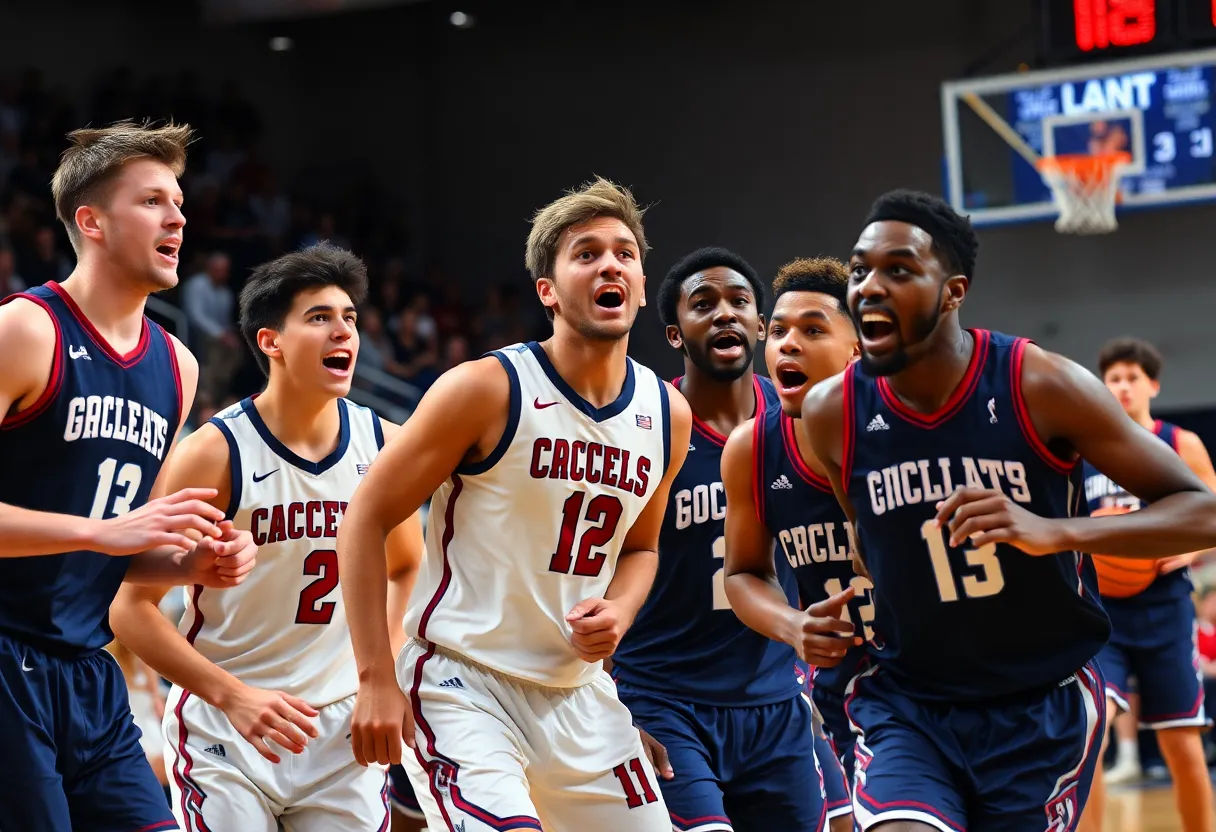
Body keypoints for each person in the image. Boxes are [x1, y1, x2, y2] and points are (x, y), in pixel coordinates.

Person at [801, 188, 1216, 831]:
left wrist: (1055, 532)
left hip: (1038, 705)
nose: (870, 287)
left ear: (953, 292)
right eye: (860, 270)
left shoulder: (1040, 383)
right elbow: (866, 543)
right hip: (909, 702)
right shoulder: (831, 412)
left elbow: (1204, 510)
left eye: (899, 270)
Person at [336, 177, 692, 831]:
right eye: (587, 253)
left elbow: (641, 548)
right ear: (547, 290)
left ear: (642, 286)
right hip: (464, 682)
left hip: (580, 694)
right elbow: (365, 515)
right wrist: (375, 678)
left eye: (624, 253)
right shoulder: (486, 389)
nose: (610, 265)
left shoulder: (667, 413)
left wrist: (619, 608)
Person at [110, 244, 425, 831]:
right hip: (228, 726)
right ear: (270, 341)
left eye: (350, 317)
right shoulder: (215, 451)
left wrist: (378, 675)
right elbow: (130, 608)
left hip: (341, 726)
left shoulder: (384, 442)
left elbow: (407, 564)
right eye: (319, 317)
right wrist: (231, 696)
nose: (344, 332)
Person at [0, 120, 257, 832]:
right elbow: (103, 533)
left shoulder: (177, 365)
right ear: (92, 222)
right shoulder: (26, 330)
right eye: (151, 201)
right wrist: (103, 532)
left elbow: (117, 548)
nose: (178, 218)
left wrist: (188, 563)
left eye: (178, 203)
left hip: (88, 674)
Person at [610, 246, 834, 832]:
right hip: (662, 697)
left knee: (843, 820)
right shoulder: (645, 425)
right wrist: (606, 704)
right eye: (703, 304)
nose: (724, 314)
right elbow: (594, 571)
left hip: (775, 696)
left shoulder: (798, 416)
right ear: (675, 334)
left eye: (739, 302)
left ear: (760, 326)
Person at [720, 256, 867, 831]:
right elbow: (743, 573)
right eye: (778, 330)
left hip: (942, 672)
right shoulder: (752, 448)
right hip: (851, 688)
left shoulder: (902, 431)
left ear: (856, 350)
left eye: (813, 329)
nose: (788, 343)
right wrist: (793, 626)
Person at [1078, 337, 1215, 832]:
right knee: (1090, 735)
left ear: (1152, 385)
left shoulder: (1180, 443)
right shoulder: (1085, 449)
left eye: (1132, 378)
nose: (1123, 387)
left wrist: (1191, 549)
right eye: (1114, 378)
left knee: (1182, 743)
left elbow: (1212, 515)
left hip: (1166, 608)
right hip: (1104, 615)